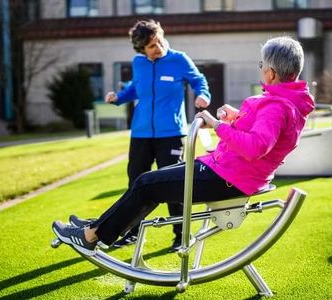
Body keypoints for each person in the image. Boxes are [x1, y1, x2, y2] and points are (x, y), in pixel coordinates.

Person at [52, 36, 315, 256]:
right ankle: (97, 227)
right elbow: (263, 135)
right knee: (148, 183)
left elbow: (256, 147)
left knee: (146, 183)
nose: (261, 70)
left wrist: (216, 125)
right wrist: (236, 117)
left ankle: (90, 236)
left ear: (271, 72)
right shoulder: (284, 102)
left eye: (261, 64)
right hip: (227, 170)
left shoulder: (277, 106)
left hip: (229, 176)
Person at [78, 20, 211, 251]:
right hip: (140, 134)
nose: (158, 47)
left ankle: (181, 235)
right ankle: (132, 232)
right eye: (151, 45)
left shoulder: (179, 59)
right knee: (135, 183)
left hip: (171, 133)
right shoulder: (138, 63)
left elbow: (199, 80)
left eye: (159, 40)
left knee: (175, 184)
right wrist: (118, 98)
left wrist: (203, 95)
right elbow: (134, 88)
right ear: (141, 49)